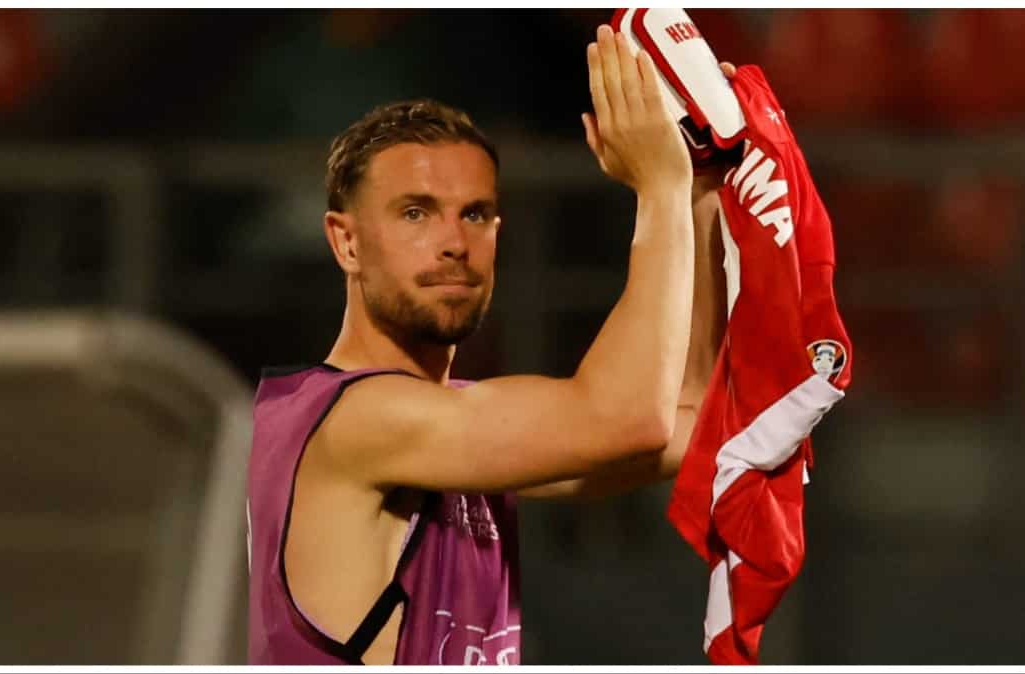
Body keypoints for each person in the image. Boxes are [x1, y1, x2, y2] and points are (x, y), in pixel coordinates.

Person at [247, 25, 731, 665]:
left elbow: (693, 421)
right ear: (347, 242)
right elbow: (630, 419)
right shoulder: (356, 420)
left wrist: (700, 190)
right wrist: (660, 186)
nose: (454, 242)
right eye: (415, 213)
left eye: (474, 214)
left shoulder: (453, 423)